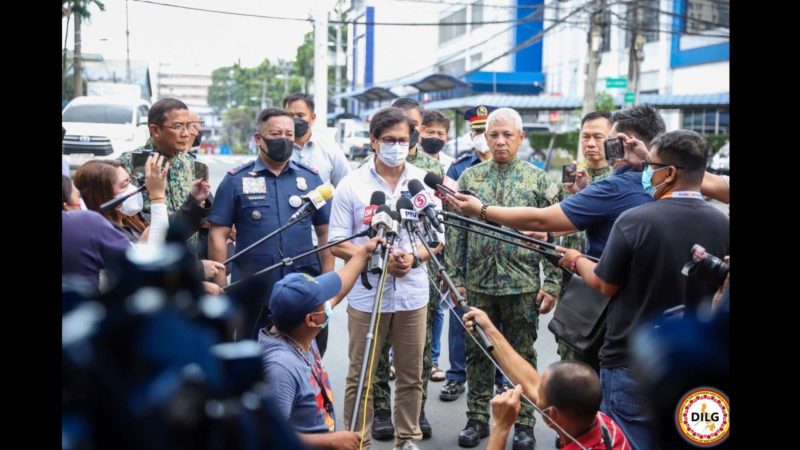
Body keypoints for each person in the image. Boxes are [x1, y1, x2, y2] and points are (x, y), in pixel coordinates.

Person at [556, 130, 729, 449]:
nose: (646, 173)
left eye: (650, 165)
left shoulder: (634, 220)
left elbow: (605, 283)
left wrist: (577, 260)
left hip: (632, 364)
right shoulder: (722, 224)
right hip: (700, 371)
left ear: (670, 173)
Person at [329, 106, 444, 450]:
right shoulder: (352, 184)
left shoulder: (422, 182)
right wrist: (373, 255)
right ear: (374, 141)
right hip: (367, 296)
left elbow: (439, 239)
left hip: (412, 295)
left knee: (412, 376)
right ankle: (356, 439)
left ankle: (407, 438)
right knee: (361, 375)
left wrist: (414, 257)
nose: (397, 146)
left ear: (413, 143)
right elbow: (337, 242)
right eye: (389, 140)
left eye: (403, 140)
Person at [449, 107, 562, 450]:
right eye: (493, 135)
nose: (499, 141)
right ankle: (477, 419)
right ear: (486, 137)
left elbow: (557, 234)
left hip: (523, 284)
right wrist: (456, 278)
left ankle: (525, 423)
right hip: (479, 285)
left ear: (520, 138)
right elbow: (456, 231)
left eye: (507, 135)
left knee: (522, 355)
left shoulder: (540, 180)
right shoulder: (470, 178)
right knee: (478, 353)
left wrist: (552, 283)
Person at [208, 107, 333, 342]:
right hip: (254, 291)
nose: (284, 140)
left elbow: (325, 232)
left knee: (309, 358)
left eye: (289, 134)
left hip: (303, 289)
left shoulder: (310, 178)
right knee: (252, 359)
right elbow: (218, 234)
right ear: (259, 138)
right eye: (276, 134)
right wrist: (221, 283)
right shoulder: (236, 180)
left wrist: (326, 283)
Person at [260, 235, 384, 450]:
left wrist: (364, 253)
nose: (329, 303)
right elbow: (269, 436)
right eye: (322, 303)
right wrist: (330, 442)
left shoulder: (297, 331)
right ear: (312, 319)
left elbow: (340, 285)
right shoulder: (280, 367)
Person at [461, 308, 632, 450]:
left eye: (540, 395)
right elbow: (531, 382)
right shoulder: (605, 425)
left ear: (551, 415)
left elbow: (533, 386)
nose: (535, 392)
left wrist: (500, 428)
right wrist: (489, 329)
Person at [440, 104, 497, 403]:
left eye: (484, 130)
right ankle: (456, 376)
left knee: (499, 322)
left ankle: (501, 378)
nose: (481, 137)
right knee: (460, 318)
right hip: (464, 257)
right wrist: (451, 266)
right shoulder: (458, 168)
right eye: (475, 131)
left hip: (499, 259)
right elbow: (449, 219)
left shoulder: (512, 169)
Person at [62, 175, 131, 294]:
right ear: (67, 206)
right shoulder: (85, 222)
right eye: (79, 197)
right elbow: (133, 260)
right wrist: (158, 199)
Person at [283, 92, 351, 187]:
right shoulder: (277, 148)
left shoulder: (330, 149)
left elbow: (345, 187)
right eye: (290, 115)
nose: (294, 120)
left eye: (300, 115)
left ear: (312, 118)